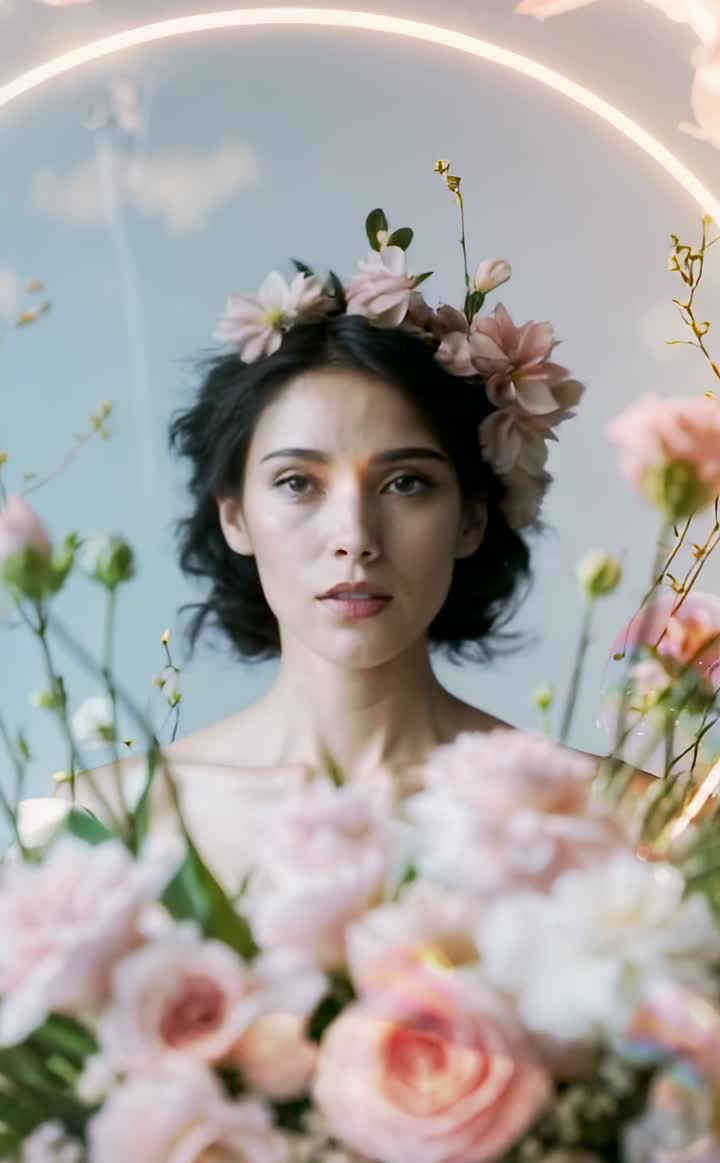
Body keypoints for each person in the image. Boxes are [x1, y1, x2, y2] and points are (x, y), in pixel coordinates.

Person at [49, 216, 586, 890]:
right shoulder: (111, 822)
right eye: (298, 483)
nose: (355, 537)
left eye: (406, 482)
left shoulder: (601, 814)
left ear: (473, 517)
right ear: (236, 516)